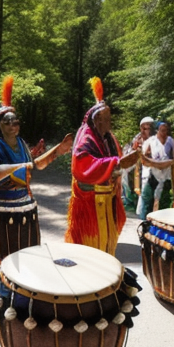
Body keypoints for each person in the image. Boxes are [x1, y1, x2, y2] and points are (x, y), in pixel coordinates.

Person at [0, 75, 73, 260]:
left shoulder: (21, 143)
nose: (13, 125)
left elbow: (36, 165)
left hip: (24, 203)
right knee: (6, 256)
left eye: (16, 122)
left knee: (28, 255)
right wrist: (23, 165)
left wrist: (57, 151)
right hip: (1, 206)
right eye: (8, 122)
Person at [64, 77, 139, 256]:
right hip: (91, 204)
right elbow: (82, 166)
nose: (109, 122)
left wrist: (124, 162)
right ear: (97, 120)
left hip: (108, 201)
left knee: (107, 246)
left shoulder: (108, 137)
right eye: (106, 119)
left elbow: (117, 161)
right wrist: (118, 163)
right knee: (91, 249)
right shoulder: (86, 138)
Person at [139, 121, 174, 219]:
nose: (164, 132)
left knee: (164, 201)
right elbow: (144, 160)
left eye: (165, 130)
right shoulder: (151, 141)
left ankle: (162, 222)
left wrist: (163, 163)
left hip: (166, 176)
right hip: (153, 174)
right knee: (147, 199)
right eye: (162, 130)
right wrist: (158, 164)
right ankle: (144, 222)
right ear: (157, 130)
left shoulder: (170, 141)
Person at [121, 116, 154, 212]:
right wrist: (133, 150)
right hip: (135, 167)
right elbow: (125, 155)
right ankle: (129, 200)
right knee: (124, 171)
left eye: (147, 129)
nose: (144, 131)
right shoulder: (136, 139)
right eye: (143, 128)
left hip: (149, 168)